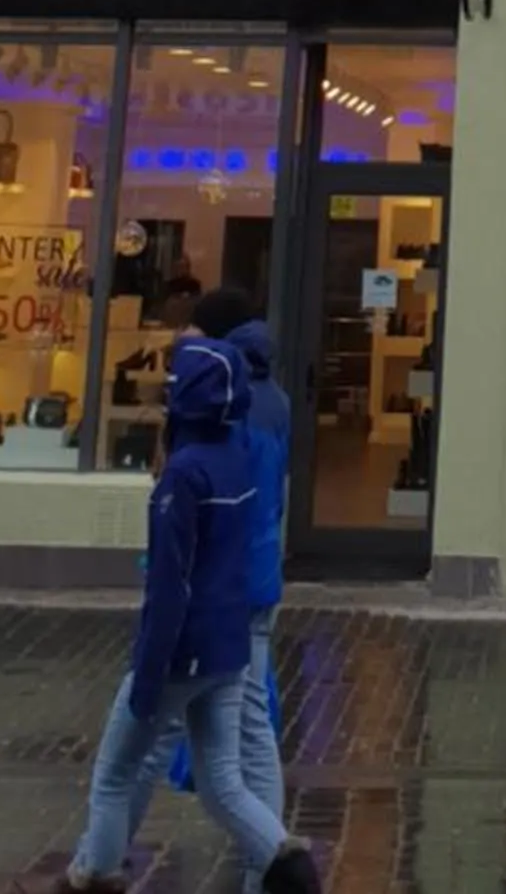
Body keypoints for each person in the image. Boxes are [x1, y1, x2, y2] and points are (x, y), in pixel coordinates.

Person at [64, 337, 318, 894]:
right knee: (222, 780)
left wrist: (149, 674)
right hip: (228, 643)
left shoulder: (182, 477)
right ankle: (290, 868)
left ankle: (94, 878)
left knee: (113, 775)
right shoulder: (239, 458)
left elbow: (168, 586)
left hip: (184, 648)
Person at [192, 286, 292, 830]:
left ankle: (271, 848)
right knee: (247, 716)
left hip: (225, 579)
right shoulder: (274, 398)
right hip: (258, 570)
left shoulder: (232, 405)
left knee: (148, 735)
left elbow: (224, 495)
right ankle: (268, 848)